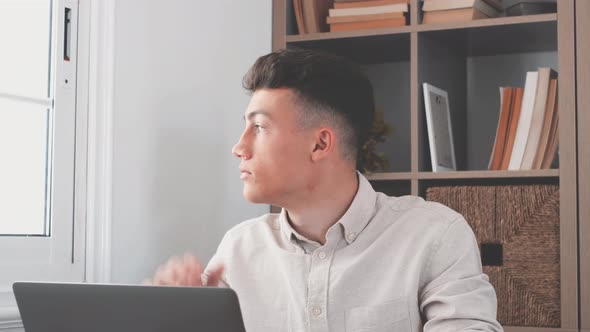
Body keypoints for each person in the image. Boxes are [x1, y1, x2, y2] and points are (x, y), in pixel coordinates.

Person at [146, 48, 502, 331]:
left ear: (320, 144)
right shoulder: (238, 250)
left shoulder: (434, 235)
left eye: (259, 127)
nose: (239, 147)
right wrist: (175, 316)